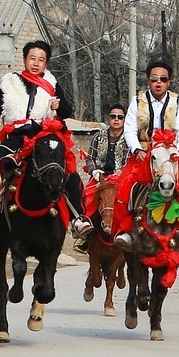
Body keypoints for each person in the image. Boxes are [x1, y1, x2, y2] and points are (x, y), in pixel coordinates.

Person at [0, 40, 91, 237]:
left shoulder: (52, 83)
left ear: (46, 63)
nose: (36, 63)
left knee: (68, 170)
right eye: (32, 58)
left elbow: (67, 110)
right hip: (17, 134)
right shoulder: (10, 82)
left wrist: (58, 107)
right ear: (25, 59)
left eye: (41, 60)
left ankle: (78, 217)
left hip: (43, 135)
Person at [112, 60, 179, 251]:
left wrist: (173, 152)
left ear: (169, 82)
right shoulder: (137, 102)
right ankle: (125, 231)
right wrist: (137, 150)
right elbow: (129, 130)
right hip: (143, 153)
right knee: (124, 185)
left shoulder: (178, 103)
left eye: (163, 79)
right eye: (154, 79)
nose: (158, 82)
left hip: (170, 154)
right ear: (148, 81)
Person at [72, 103, 129, 254]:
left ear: (124, 120)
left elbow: (129, 161)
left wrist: (121, 174)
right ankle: (83, 235)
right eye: (113, 116)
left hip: (121, 178)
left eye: (120, 117)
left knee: (129, 203)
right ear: (109, 118)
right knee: (87, 197)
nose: (116, 119)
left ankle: (130, 234)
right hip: (99, 177)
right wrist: (94, 171)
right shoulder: (98, 136)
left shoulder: (129, 138)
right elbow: (90, 158)